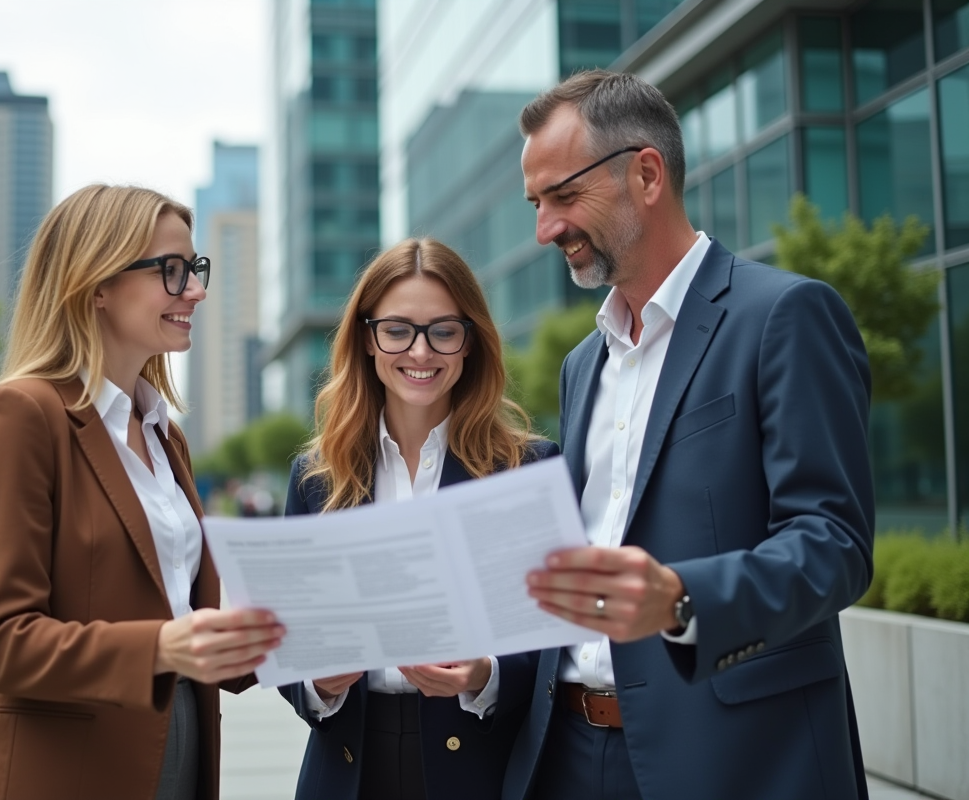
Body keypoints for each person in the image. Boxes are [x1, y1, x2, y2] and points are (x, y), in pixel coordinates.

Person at [506, 70, 874, 800]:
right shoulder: (581, 365)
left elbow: (834, 544)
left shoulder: (785, 316)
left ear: (646, 174)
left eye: (563, 196)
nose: (546, 229)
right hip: (564, 754)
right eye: (536, 204)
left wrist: (681, 600)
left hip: (732, 757)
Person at [0, 184, 284, 800]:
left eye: (195, 268)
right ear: (97, 285)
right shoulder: (21, 415)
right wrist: (161, 646)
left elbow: (183, 611)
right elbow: (2, 644)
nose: (196, 290)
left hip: (181, 746)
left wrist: (275, 645)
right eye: (172, 270)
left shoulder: (164, 434)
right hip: (67, 774)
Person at [279, 238, 560, 800]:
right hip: (349, 771)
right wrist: (317, 682)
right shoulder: (316, 477)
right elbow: (290, 641)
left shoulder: (525, 468)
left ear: (470, 341)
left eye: (443, 331)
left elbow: (553, 645)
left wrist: (485, 675)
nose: (421, 351)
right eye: (398, 330)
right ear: (368, 338)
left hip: (478, 769)